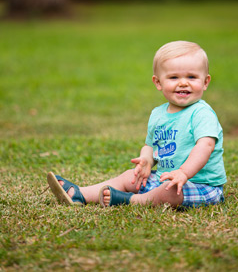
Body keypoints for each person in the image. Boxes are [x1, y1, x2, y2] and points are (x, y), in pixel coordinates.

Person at [47, 40, 227, 209]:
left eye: (192, 77)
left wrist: (183, 173)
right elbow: (150, 146)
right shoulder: (158, 114)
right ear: (158, 82)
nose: (183, 83)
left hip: (201, 184)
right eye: (173, 77)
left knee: (169, 191)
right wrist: (147, 161)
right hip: (167, 177)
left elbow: (206, 145)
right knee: (129, 177)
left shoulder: (201, 113)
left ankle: (134, 200)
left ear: (205, 82)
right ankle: (79, 194)